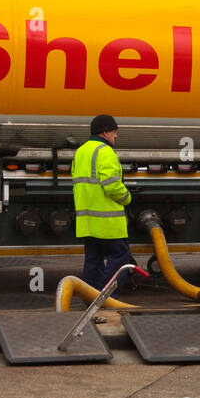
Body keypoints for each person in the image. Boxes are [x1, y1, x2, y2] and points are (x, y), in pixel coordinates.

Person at [72, 115, 135, 292]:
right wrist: (127, 198)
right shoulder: (105, 152)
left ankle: (90, 297)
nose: (116, 136)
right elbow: (112, 186)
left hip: (88, 222)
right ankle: (106, 295)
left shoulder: (81, 151)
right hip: (107, 223)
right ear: (105, 132)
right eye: (114, 132)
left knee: (93, 260)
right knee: (121, 256)